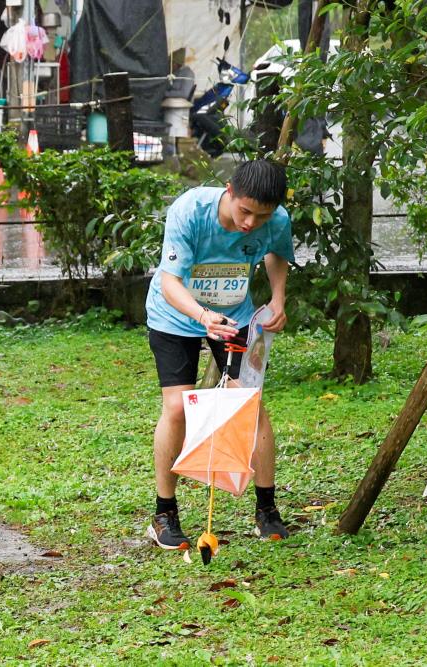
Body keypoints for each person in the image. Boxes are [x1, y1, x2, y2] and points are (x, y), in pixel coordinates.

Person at [144, 159, 294, 550]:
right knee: (176, 407)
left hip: (234, 313)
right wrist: (202, 315)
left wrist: (278, 298)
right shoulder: (189, 211)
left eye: (261, 216)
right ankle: (164, 514)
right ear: (229, 191)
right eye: (245, 211)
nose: (250, 223)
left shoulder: (276, 220)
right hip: (175, 314)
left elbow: (276, 254)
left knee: (250, 405)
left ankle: (266, 510)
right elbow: (170, 281)